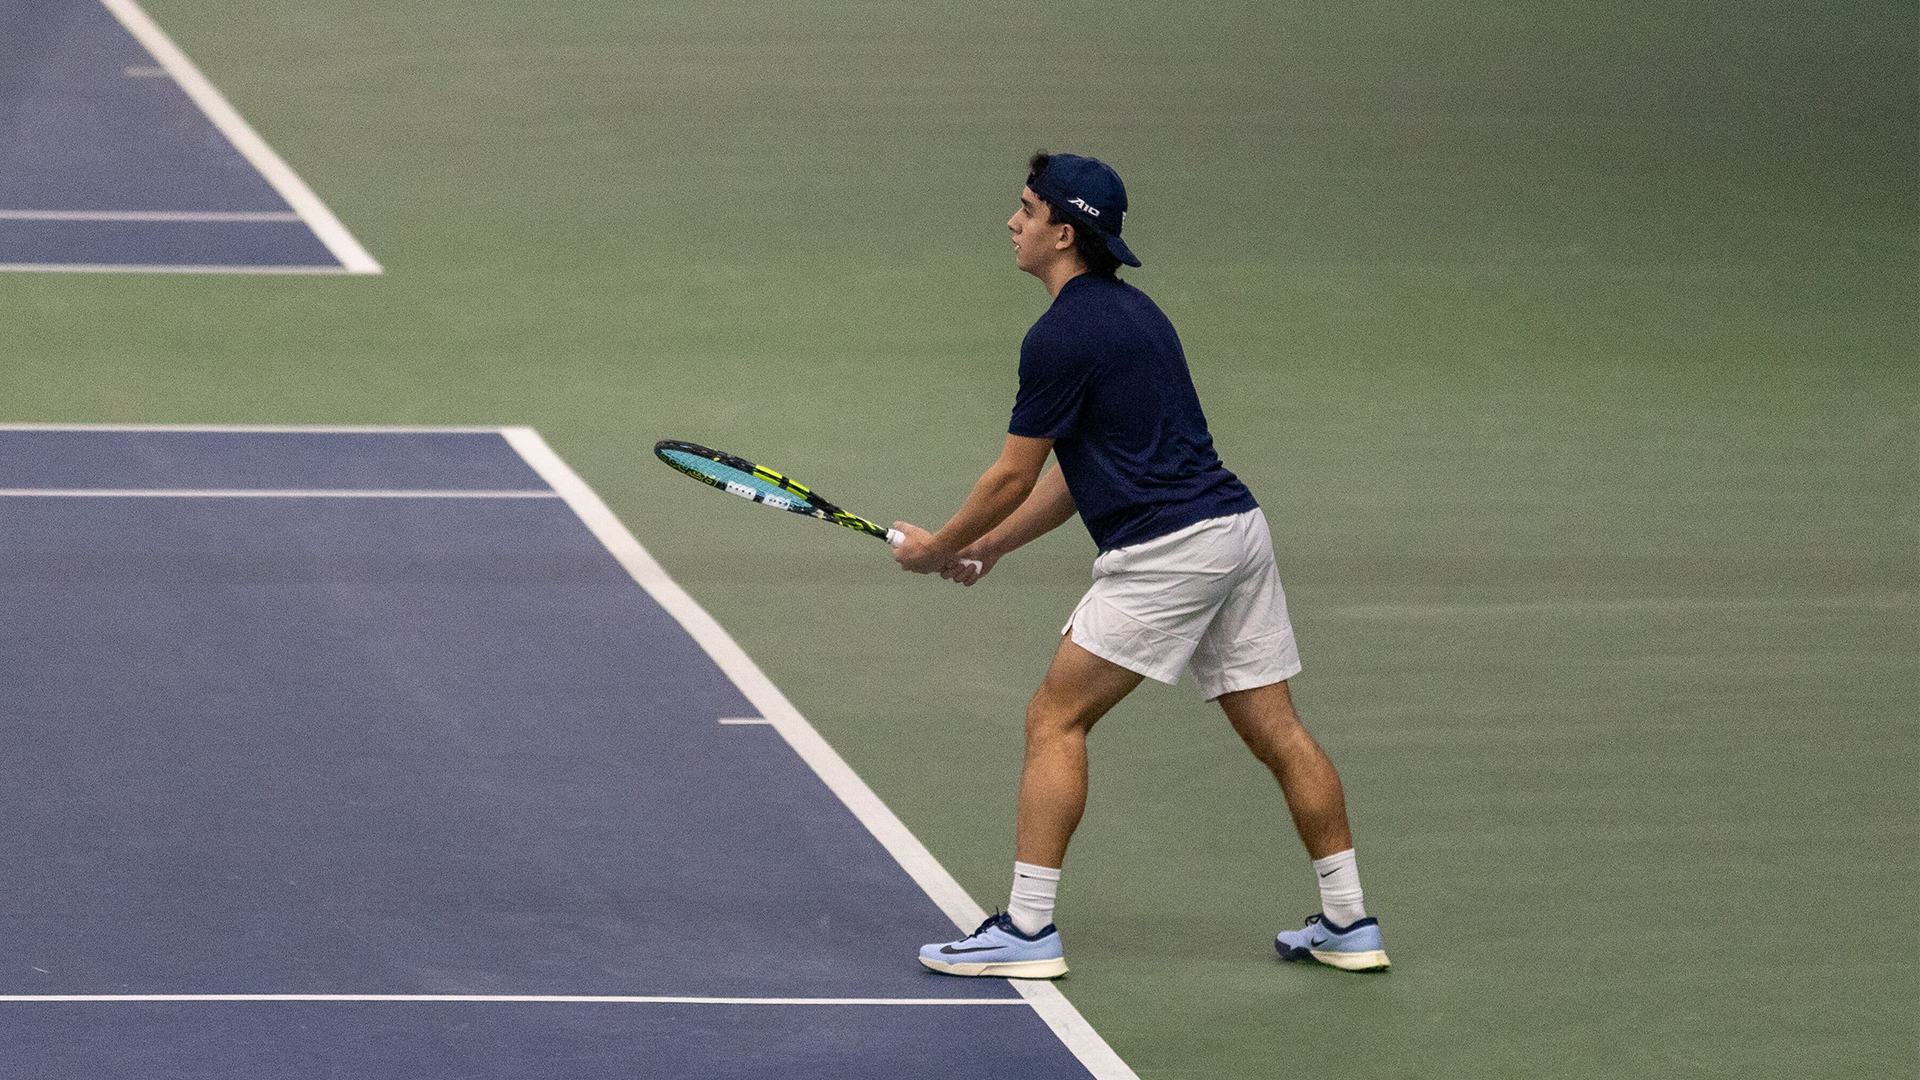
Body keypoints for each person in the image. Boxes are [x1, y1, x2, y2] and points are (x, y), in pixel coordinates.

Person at [889, 152, 1389, 976]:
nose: (1011, 222)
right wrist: (988, 547)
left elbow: (1014, 473)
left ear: (1062, 232)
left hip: (1171, 554)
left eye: (1025, 209)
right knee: (1278, 731)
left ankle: (1027, 930)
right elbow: (1078, 478)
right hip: (1237, 532)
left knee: (1056, 717)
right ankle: (1348, 922)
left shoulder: (1057, 337)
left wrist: (939, 546)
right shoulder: (1137, 315)